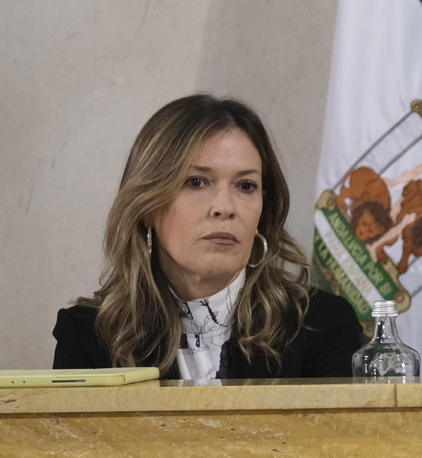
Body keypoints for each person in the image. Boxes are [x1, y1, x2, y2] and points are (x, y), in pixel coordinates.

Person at [53, 95, 361, 379]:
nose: (225, 208)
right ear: (147, 205)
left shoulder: (321, 324)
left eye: (246, 186)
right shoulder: (88, 335)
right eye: (197, 182)